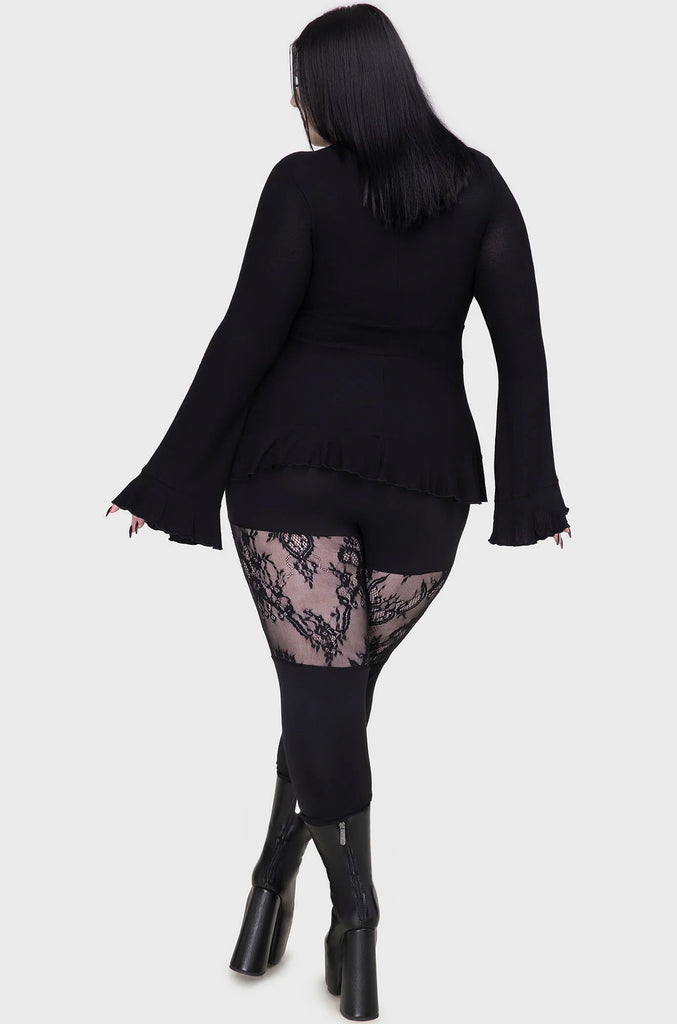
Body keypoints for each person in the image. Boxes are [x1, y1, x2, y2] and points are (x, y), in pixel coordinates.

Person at [107, 4, 571, 1019]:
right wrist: (532, 493)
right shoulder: (480, 185)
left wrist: (168, 477)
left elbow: (245, 336)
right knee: (331, 700)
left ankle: (351, 909)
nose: (293, 104)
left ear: (337, 90)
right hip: (426, 488)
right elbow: (523, 351)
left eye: (300, 85)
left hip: (291, 473)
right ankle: (273, 889)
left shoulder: (300, 185)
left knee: (322, 699)